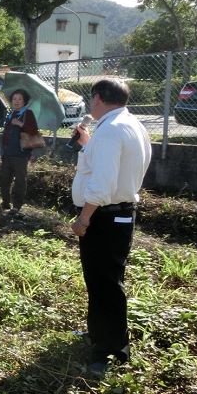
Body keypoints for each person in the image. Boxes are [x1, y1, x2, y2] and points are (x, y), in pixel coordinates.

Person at [71, 78, 151, 377]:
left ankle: (107, 350)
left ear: (99, 98)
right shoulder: (130, 124)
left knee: (104, 283)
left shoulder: (111, 130)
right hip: (119, 215)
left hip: (103, 217)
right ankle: (101, 335)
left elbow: (103, 184)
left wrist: (84, 218)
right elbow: (115, 167)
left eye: (92, 98)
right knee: (106, 280)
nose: (90, 104)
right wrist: (87, 144)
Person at [0, 89, 40, 215]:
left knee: (20, 181)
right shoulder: (11, 114)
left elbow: (33, 131)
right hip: (8, 153)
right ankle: (5, 202)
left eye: (19, 99)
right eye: (14, 99)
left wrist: (20, 124)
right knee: (4, 179)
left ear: (24, 101)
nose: (16, 101)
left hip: (21, 154)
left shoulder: (28, 114)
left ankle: (16, 206)